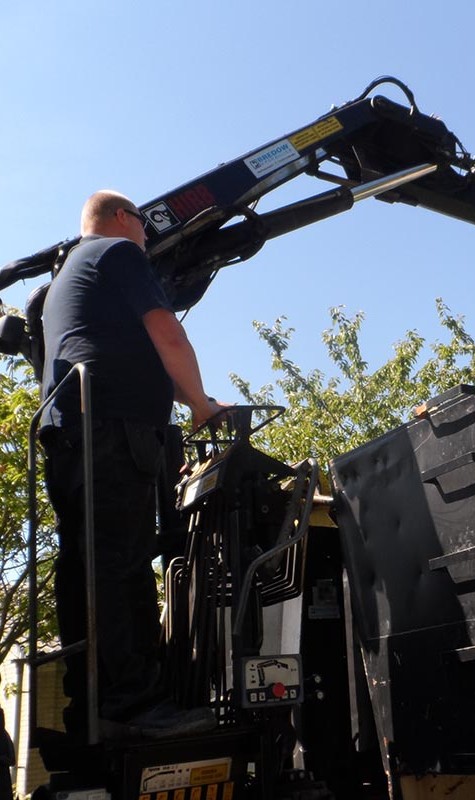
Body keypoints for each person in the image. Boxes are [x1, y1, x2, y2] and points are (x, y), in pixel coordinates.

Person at [40, 190, 227, 739]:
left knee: (86, 567)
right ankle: (137, 703)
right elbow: (168, 332)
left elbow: (126, 350)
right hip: (112, 431)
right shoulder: (117, 254)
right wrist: (200, 405)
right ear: (122, 219)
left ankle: (90, 703)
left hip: (73, 437)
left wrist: (194, 399)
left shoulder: (64, 282)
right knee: (122, 566)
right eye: (143, 225)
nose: (147, 237)